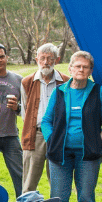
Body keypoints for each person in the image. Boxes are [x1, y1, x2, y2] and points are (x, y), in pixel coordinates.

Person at [41, 50, 102, 202]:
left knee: (86, 200)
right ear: (70, 68)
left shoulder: (99, 92)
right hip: (60, 155)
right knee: (58, 200)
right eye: (78, 66)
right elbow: (45, 121)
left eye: (85, 67)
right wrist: (52, 140)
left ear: (90, 71)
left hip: (88, 155)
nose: (81, 69)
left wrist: (97, 143)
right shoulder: (60, 92)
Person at [20, 43, 67, 192]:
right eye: (42, 58)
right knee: (29, 181)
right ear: (36, 60)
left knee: (58, 180)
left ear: (57, 60)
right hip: (36, 135)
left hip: (58, 135)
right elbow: (25, 110)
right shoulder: (27, 82)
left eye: (50, 58)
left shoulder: (65, 82)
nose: (46, 62)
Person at [0, 43, 24, 197]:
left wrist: (17, 107)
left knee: (20, 176)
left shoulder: (19, 80)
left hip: (11, 136)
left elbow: (25, 110)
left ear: (7, 57)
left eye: (2, 56)